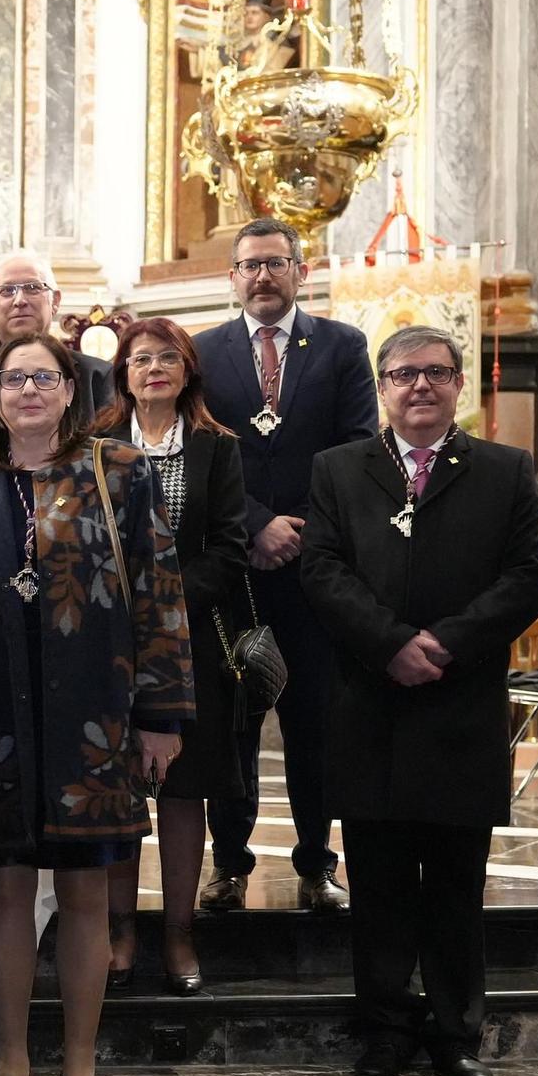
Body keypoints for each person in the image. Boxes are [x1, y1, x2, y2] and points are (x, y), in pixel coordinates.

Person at [0, 334, 192, 1076]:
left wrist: (161, 713)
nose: (29, 391)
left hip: (96, 713)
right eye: (14, 379)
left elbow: (159, 590)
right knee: (4, 889)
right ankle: (13, 1059)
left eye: (44, 377)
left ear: (69, 390)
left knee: (86, 892)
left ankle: (80, 1065)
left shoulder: (119, 473)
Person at [300, 326, 538, 1076]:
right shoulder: (339, 469)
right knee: (376, 883)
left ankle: (454, 1031)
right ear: (381, 385)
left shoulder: (504, 470)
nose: (420, 386)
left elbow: (528, 574)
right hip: (371, 703)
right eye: (403, 374)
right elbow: (322, 566)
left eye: (436, 373)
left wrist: (443, 644)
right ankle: (384, 1028)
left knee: (453, 883)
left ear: (457, 384)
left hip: (459, 704)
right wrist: (390, 645)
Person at [192, 217, 377, 915]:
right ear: (232, 277)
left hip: (314, 568)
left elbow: (359, 447)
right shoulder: (204, 353)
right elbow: (201, 450)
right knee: (234, 719)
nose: (262, 276)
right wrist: (255, 522)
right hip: (235, 569)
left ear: (300, 270)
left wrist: (295, 529)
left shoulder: (340, 346)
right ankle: (230, 863)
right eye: (249, 265)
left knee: (314, 722)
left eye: (275, 263)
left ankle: (316, 863)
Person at [93, 319, 250, 996]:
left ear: (188, 371)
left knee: (185, 791)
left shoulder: (217, 448)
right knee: (119, 792)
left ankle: (180, 932)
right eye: (140, 358)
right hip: (104, 644)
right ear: (122, 372)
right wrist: (122, 608)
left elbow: (232, 547)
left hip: (190, 642)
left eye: (167, 358)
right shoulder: (94, 446)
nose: (153, 368)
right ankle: (120, 929)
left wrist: (161, 600)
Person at [0, 250, 117, 429]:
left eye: (32, 288)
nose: (19, 300)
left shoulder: (97, 377)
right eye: (7, 290)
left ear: (55, 301)